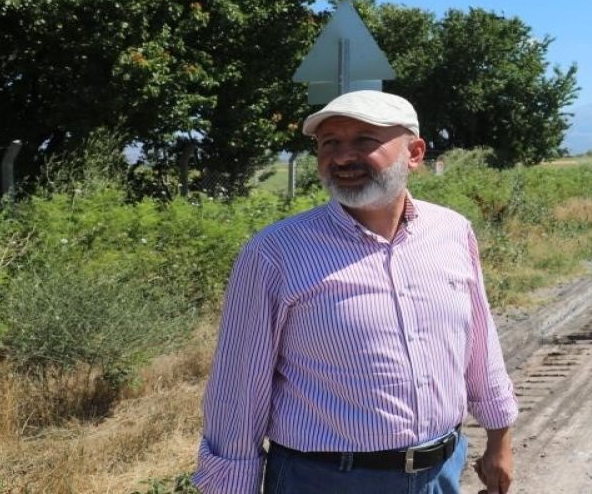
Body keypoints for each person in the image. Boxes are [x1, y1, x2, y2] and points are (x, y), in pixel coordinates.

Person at [193, 90, 518, 494]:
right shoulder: (276, 253)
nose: (343, 156)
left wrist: (499, 438)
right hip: (322, 480)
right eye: (330, 143)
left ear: (414, 153)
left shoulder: (451, 232)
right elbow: (239, 387)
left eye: (365, 140)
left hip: (441, 473)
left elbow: (479, 346)